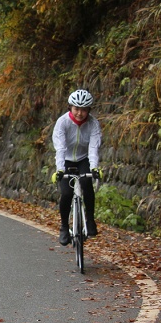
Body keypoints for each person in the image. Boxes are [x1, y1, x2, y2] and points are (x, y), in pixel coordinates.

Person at [51, 89, 102, 245]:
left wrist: (94, 167)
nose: (80, 113)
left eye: (84, 109)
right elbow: (60, 148)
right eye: (76, 109)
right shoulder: (62, 123)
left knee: (87, 184)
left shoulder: (93, 124)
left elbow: (94, 147)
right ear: (70, 108)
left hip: (83, 159)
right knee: (66, 193)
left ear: (89, 110)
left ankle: (90, 219)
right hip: (66, 159)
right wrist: (60, 169)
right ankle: (64, 227)